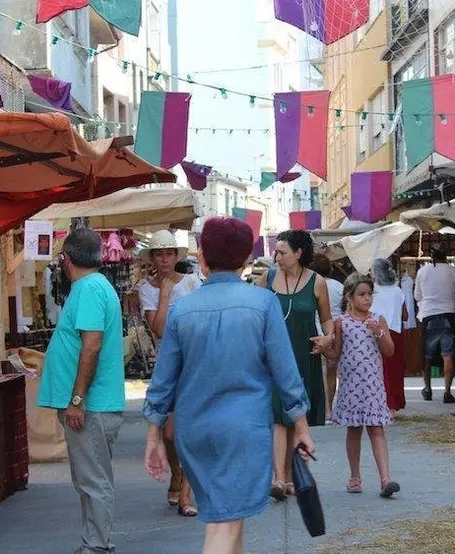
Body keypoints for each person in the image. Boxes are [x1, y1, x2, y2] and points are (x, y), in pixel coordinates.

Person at [143, 217, 315, 554]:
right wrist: (302, 426)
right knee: (224, 522)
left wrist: (153, 434)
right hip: (244, 428)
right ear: (246, 259)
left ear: (202, 258)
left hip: (195, 431)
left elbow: (163, 381)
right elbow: (286, 371)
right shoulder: (264, 303)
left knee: (226, 515)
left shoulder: (181, 310)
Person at [36, 229, 126, 554]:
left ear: (66, 259)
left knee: (93, 481)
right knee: (90, 479)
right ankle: (93, 542)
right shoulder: (93, 287)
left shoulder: (88, 289)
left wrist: (77, 399)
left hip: (91, 405)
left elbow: (92, 346)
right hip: (94, 404)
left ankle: (98, 546)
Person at [258, 229, 334, 500]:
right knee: (279, 416)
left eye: (282, 252)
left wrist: (328, 338)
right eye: (276, 252)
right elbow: (255, 313)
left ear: (299, 253)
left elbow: (326, 319)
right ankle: (279, 478)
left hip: (304, 353)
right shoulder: (266, 278)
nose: (276, 257)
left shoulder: (317, 282)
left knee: (294, 417)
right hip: (274, 358)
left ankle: (290, 477)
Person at [138, 229, 202, 517]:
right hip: (168, 365)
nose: (164, 259)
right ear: (152, 257)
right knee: (169, 431)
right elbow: (160, 329)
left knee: (188, 427)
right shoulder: (147, 288)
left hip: (195, 362)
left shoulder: (191, 282)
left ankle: (187, 490)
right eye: (159, 253)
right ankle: (177, 473)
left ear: (176, 255)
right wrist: (164, 294)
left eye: (168, 253)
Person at [328, 273, 400, 498]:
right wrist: (324, 349)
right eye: (361, 294)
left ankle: (385, 478)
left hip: (373, 386)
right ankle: (354, 476)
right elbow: (336, 355)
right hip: (351, 386)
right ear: (349, 297)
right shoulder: (341, 323)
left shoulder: (378, 319)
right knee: (354, 430)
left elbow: (389, 351)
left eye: (369, 294)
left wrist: (378, 332)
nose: (367, 299)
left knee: (377, 428)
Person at [414, 243, 455, 403]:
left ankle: (427, 389)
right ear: (445, 255)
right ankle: (447, 392)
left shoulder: (422, 271)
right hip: (448, 316)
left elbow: (417, 296)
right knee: (448, 355)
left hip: (428, 317)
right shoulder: (454, 271)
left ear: (431, 255)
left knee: (426, 355)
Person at [309, 253, 344, 419]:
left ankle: (324, 409)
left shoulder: (313, 284)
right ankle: (330, 406)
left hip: (316, 330)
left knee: (321, 371)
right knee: (332, 372)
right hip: (335, 331)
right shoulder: (339, 286)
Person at [370, 259, 408, 414]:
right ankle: (393, 404)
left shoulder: (372, 291)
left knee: (378, 370)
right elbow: (405, 315)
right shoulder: (398, 291)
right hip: (396, 333)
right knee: (394, 371)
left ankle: (381, 404)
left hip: (376, 333)